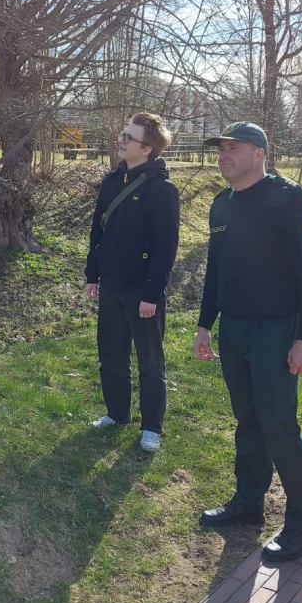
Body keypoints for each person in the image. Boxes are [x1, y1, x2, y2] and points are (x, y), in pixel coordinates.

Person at [194, 122, 302, 562]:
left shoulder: (290, 200)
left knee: (278, 424)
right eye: (221, 148)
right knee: (248, 419)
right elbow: (216, 271)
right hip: (234, 328)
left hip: (276, 330)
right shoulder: (221, 205)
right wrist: (205, 324)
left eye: (234, 147)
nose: (224, 155)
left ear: (259, 154)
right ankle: (249, 503)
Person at [85, 113, 180, 453]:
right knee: (111, 355)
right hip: (111, 285)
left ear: (147, 148)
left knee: (150, 362)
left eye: (129, 137)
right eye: (122, 133)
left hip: (143, 292)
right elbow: (98, 230)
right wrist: (92, 275)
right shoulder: (112, 181)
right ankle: (117, 414)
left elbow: (165, 246)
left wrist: (152, 294)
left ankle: (151, 427)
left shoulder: (162, 190)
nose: (121, 140)